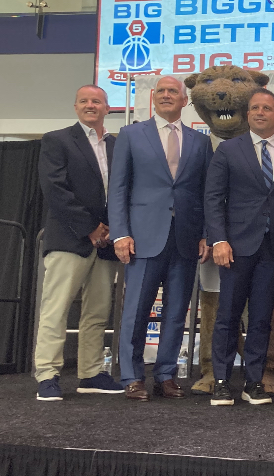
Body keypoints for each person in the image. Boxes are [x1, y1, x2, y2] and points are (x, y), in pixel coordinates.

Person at [109, 75, 213, 401]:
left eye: (174, 92)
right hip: (142, 237)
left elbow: (205, 194)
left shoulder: (200, 142)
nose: (167, 95)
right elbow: (118, 189)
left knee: (176, 310)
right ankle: (132, 376)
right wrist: (121, 233)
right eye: (162, 91)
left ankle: (166, 375)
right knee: (137, 310)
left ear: (185, 101)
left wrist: (205, 235)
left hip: (184, 238)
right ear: (154, 98)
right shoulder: (130, 134)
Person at [205, 89, 274, 406]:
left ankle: (253, 381)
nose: (260, 112)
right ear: (248, 115)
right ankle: (220, 381)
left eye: (267, 108)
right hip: (235, 247)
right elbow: (213, 199)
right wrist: (219, 239)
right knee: (228, 316)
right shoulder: (229, 150)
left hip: (272, 248)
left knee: (260, 318)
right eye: (255, 107)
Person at [34, 85, 123, 400]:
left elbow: (122, 190)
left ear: (107, 108)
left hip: (107, 242)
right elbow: (55, 188)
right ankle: (47, 375)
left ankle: (91, 373)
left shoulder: (117, 145)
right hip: (70, 239)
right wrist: (89, 227)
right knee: (55, 310)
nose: (90, 105)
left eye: (96, 101)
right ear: (75, 107)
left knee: (98, 311)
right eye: (84, 101)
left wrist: (113, 228)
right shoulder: (57, 140)